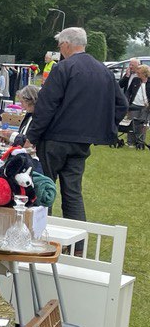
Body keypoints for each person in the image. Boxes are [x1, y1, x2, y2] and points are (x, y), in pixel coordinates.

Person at [30, 27, 126, 220]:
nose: (60, 50)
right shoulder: (103, 70)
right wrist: (103, 127)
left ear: (66, 44)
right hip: (82, 141)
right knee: (73, 192)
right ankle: (77, 247)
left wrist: (32, 136)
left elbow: (46, 105)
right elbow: (121, 105)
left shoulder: (63, 68)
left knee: (45, 187)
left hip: (55, 139)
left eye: (59, 46)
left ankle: (41, 237)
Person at [129, 64, 149, 150]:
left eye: (139, 73)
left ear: (144, 73)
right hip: (134, 104)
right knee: (132, 123)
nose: (137, 74)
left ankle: (140, 142)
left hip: (145, 106)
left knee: (143, 125)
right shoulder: (135, 80)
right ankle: (130, 142)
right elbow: (128, 91)